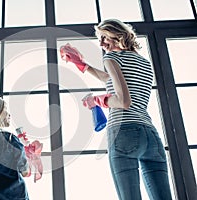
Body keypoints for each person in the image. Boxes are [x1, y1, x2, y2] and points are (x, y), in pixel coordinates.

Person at [60, 19, 172, 200]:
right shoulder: (144, 63)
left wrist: (96, 101)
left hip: (124, 131)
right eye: (100, 39)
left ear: (118, 34)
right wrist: (81, 64)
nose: (102, 43)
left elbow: (123, 101)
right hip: (151, 136)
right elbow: (109, 79)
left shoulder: (111, 58)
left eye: (105, 37)